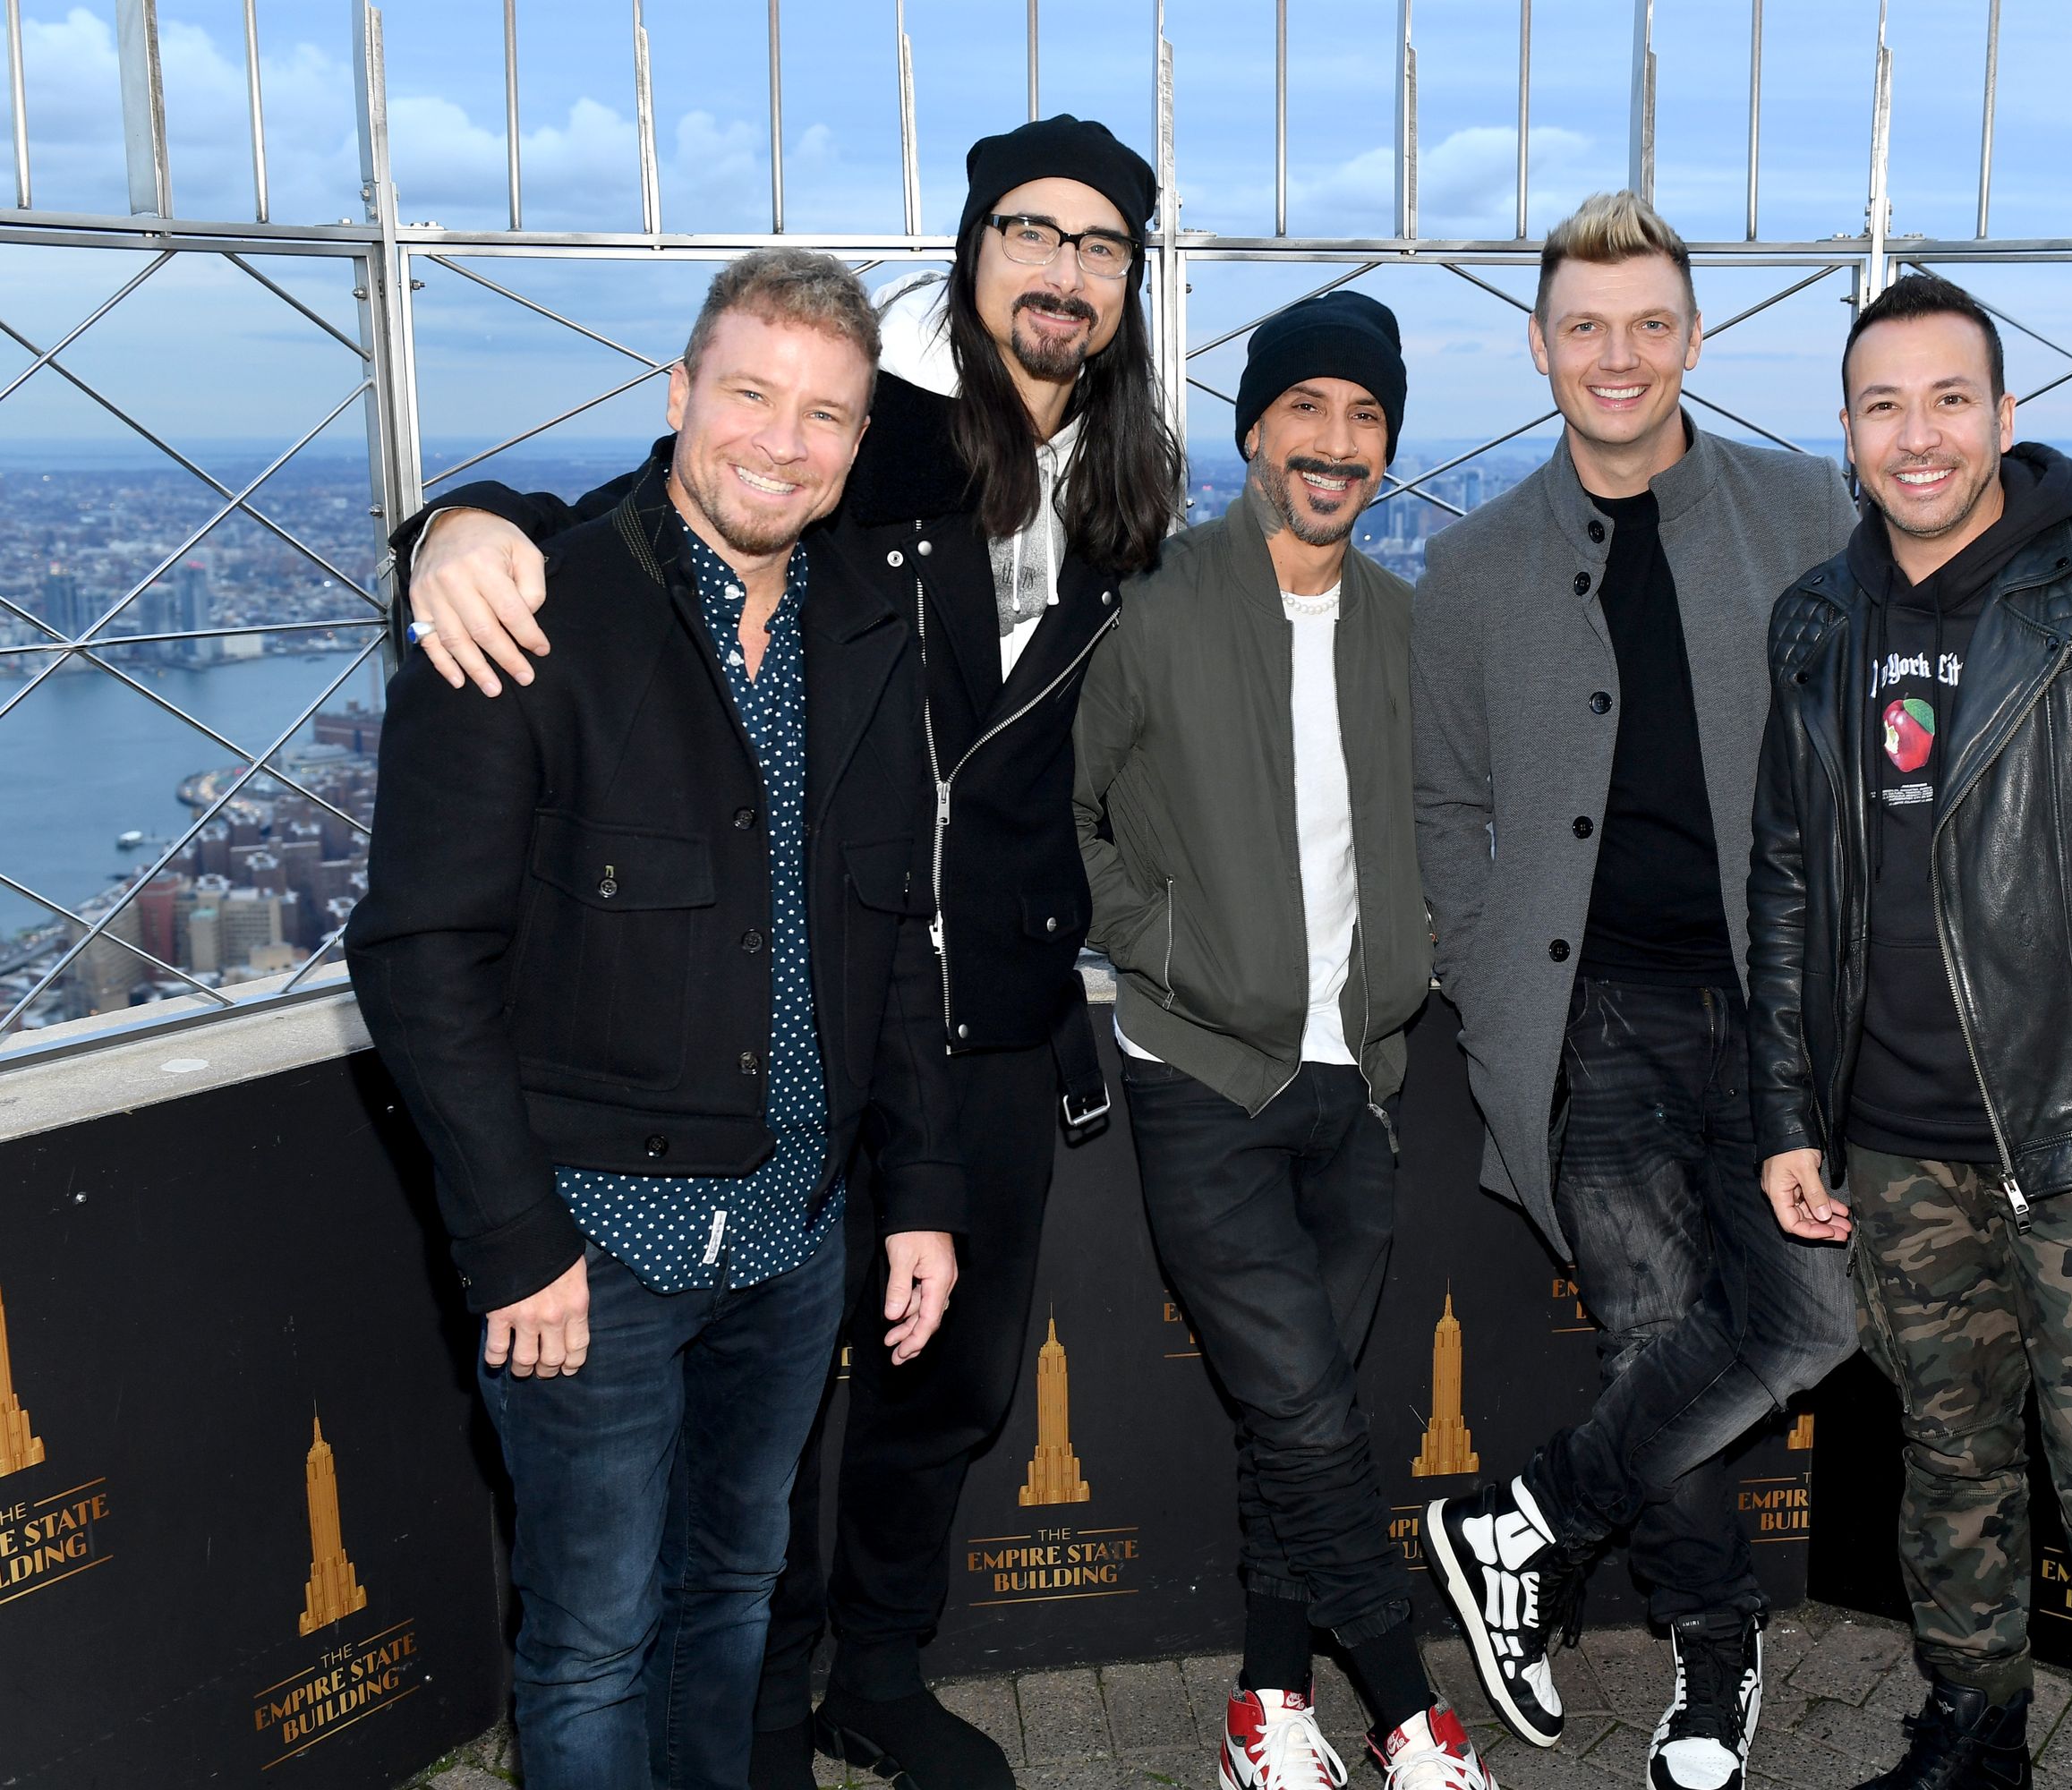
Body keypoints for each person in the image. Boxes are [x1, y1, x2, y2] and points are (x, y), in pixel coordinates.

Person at [388, 115, 1180, 1790]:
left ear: (1130, 287)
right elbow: (648, 530)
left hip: (967, 1011)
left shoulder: (1130, 490)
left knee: (931, 1400)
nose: (1061, 269)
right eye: (1029, 232)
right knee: (659, 1575)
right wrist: (454, 522)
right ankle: (762, 1732)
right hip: (773, 1026)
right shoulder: (871, 443)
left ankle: (866, 1688)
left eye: (1099, 246)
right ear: (972, 257)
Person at [348, 249, 962, 1790]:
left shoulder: (866, 630)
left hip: (790, 1246)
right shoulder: (535, 608)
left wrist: (921, 1203)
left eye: (826, 413)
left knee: (735, 1605)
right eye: (749, 393)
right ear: (679, 395)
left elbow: (893, 944)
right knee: (593, 1641)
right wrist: (514, 1243)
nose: (782, 439)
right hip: (586, 1260)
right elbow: (419, 957)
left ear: (860, 433)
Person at [1744, 272, 2072, 1790]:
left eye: (1948, 399)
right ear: (1847, 433)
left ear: (2006, 417)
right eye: (1883, 405)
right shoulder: (1817, 621)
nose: (1918, 437)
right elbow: (1787, 880)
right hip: (1894, 1147)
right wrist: (1790, 1109)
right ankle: (1970, 1733)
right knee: (1951, 1471)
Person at [1410, 190, 1859, 1790]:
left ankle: (1520, 1520)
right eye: (1587, 326)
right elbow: (1444, 805)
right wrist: (1482, 966)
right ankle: (1711, 1652)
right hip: (1583, 1019)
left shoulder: (1808, 512)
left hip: (1780, 1012)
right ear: (1541, 348)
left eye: (1651, 323)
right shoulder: (1466, 570)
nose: (1620, 356)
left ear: (1692, 338)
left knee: (1812, 1311)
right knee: (1655, 1332)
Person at [1070, 292, 1491, 1790]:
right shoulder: (1156, 606)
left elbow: (1456, 827)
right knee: (1310, 1410)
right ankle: (1411, 1713)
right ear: (1252, 432)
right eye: (1304, 410)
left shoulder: (1409, 627)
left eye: (1365, 417)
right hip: (1204, 1075)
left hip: (1361, 1080)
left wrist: (1421, 959)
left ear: (1385, 450)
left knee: (1293, 1421)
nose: (1333, 443)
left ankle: (1264, 1705)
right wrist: (1160, 942)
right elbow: (1073, 817)